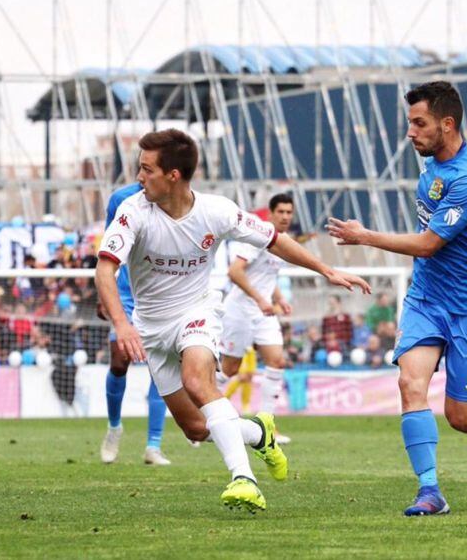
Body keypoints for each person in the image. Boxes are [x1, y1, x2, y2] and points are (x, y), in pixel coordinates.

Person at [95, 129, 370, 512]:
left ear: (173, 175)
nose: (139, 178)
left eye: (147, 169)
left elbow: (275, 239)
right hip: (151, 327)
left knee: (198, 380)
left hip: (197, 312)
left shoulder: (217, 210)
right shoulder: (133, 212)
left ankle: (244, 479)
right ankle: (259, 433)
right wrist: (123, 324)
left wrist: (327, 270)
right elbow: (105, 270)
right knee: (194, 428)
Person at [327, 81, 467, 516]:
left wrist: (365, 237)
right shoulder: (434, 166)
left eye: (419, 123)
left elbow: (428, 243)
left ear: (447, 123)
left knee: (461, 414)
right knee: (409, 384)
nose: (410, 133)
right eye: (409, 123)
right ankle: (430, 491)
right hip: (426, 299)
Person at [98, 181, 171, 467]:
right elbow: (108, 251)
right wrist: (104, 295)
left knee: (160, 369)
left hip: (163, 295)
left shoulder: (178, 198)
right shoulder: (121, 199)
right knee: (119, 360)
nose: (144, 174)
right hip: (127, 293)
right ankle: (114, 427)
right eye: (142, 166)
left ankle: (154, 445)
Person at [218, 193, 298, 443]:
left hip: (263, 313)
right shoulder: (256, 238)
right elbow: (235, 272)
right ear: (271, 213)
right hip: (240, 310)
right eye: (281, 212)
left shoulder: (283, 242)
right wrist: (260, 299)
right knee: (229, 369)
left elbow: (266, 276)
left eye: (289, 212)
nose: (285, 216)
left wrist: (277, 297)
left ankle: (267, 428)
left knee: (277, 361)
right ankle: (200, 415)